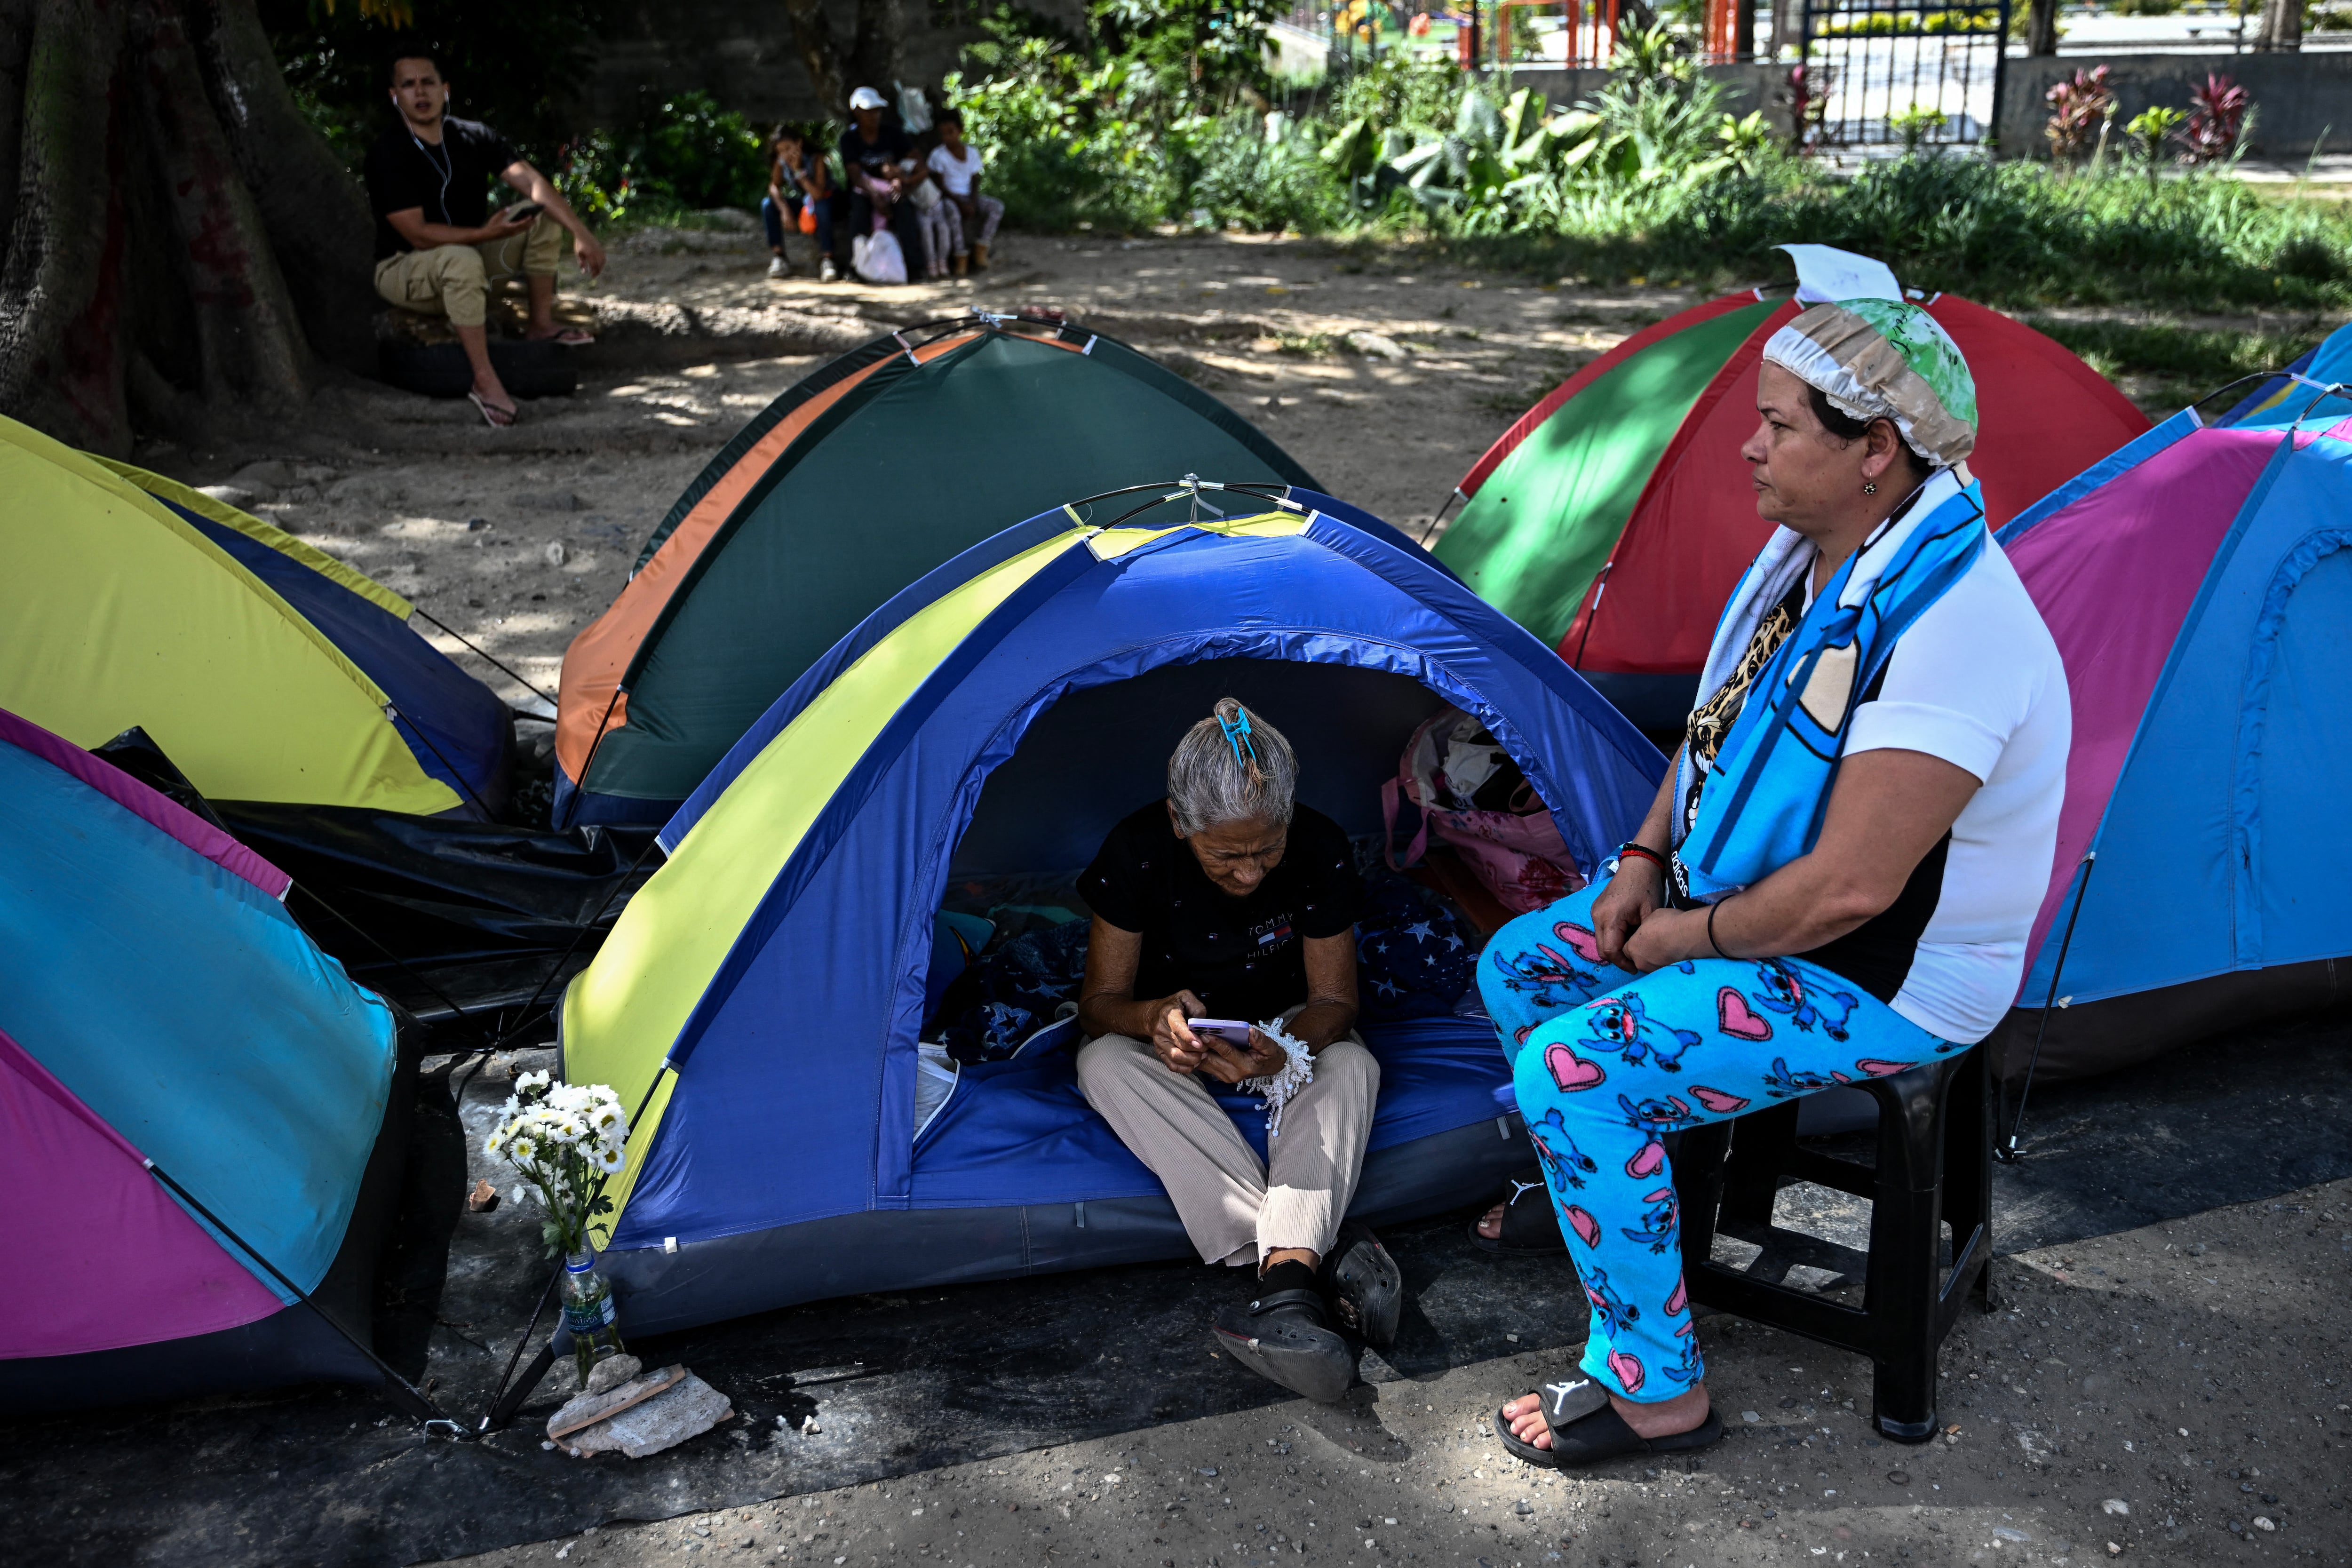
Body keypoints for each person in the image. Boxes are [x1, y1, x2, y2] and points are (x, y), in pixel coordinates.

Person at [1476, 300, 2069, 1467]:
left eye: (1777, 425)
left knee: (1572, 1069)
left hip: (1892, 976)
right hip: (1766, 913)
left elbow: (1847, 893)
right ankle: (1604, 1192)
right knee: (1523, 966)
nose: (1751, 447)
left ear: (1874, 452)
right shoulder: (1822, 562)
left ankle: (1655, 1389)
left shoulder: (1953, 632)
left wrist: (1683, 936)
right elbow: (1711, 739)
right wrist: (1645, 864)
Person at [1074, 699, 1399, 1403]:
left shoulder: (1317, 846)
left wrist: (1284, 1049)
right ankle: (1310, 1264)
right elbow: (1099, 1006)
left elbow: (1336, 1005)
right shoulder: (1135, 851)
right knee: (1100, 1061)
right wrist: (1154, 1019)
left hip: (1282, 1027)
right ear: (1178, 821)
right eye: (1226, 854)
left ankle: (1285, 1296)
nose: (1251, 873)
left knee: (1352, 1064)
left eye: (1266, 851)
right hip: (1178, 1044)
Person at [366, 54, 607, 428]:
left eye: (428, 82)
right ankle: (483, 379)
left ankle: (541, 324)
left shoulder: (473, 136)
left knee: (535, 213)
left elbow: (534, 183)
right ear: (395, 96)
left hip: (471, 259)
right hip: (404, 269)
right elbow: (417, 233)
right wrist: (486, 234)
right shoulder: (387, 151)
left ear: (445, 90)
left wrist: (582, 233)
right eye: (409, 85)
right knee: (460, 259)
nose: (420, 92)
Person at [837, 86, 924, 283]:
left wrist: (904, 184)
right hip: (864, 191)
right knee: (859, 214)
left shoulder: (893, 134)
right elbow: (855, 174)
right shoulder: (849, 139)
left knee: (905, 212)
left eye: (877, 110)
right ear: (857, 112)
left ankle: (915, 267)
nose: (874, 115)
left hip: (893, 189)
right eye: (869, 111)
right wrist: (875, 194)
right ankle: (856, 267)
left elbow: (915, 158)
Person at [926, 110, 1002, 276]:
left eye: (951, 132)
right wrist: (961, 204)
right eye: (944, 134)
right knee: (953, 213)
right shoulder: (938, 156)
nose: (947, 138)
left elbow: (975, 180)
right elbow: (940, 186)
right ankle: (961, 259)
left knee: (997, 207)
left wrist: (972, 203)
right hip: (949, 198)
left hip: (969, 197)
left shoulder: (972, 153)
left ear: (960, 131)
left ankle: (981, 249)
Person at [762, 126, 838, 283]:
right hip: (806, 204)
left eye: (789, 148)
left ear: (799, 144)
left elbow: (817, 195)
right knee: (768, 205)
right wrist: (785, 210)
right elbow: (774, 186)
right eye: (781, 151)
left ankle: (828, 260)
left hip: (829, 202)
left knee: (821, 207)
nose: (785, 154)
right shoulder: (781, 162)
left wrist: (798, 172)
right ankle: (780, 258)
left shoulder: (816, 159)